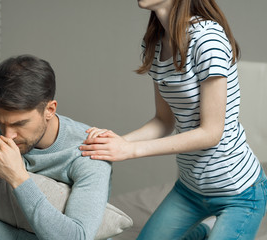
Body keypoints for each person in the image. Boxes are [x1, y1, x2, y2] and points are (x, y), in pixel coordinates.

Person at [80, 0, 267, 239]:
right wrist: (116, 141)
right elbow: (163, 121)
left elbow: (211, 133)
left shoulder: (207, 39)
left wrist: (129, 150)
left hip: (239, 193)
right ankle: (205, 231)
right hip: (190, 189)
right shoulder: (156, 43)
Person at [0, 54, 112, 240]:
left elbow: (76, 237)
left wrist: (18, 178)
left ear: (50, 110)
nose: (7, 136)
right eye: (1, 122)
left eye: (19, 124)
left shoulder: (91, 149)